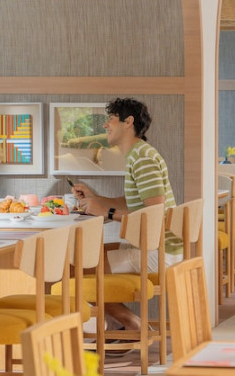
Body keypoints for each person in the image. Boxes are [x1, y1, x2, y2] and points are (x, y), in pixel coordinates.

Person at [71, 97, 181, 331]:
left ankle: (132, 325)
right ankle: (117, 326)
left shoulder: (143, 159)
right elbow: (134, 202)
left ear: (128, 122)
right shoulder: (138, 154)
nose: (105, 125)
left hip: (158, 252)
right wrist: (96, 198)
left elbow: (154, 214)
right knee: (83, 257)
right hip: (152, 246)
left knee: (76, 267)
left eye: (110, 119)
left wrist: (107, 212)